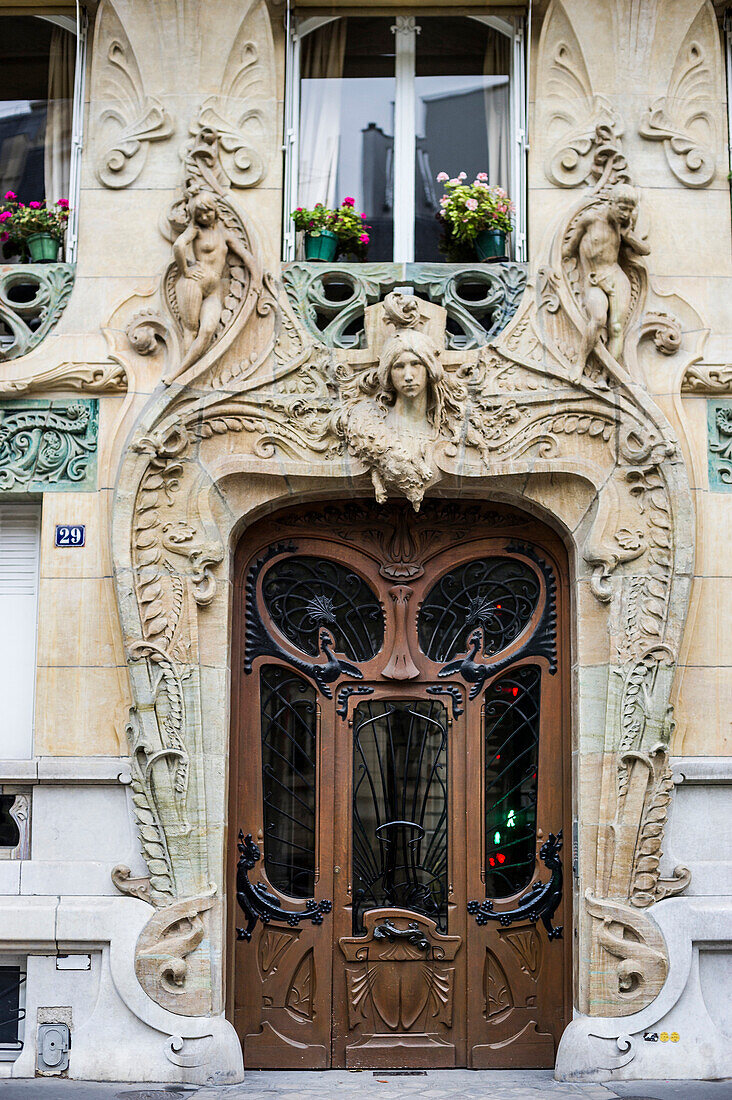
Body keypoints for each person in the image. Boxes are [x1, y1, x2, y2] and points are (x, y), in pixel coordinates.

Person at [166, 190, 257, 381]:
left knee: (207, 330)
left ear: (215, 210)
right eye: (200, 215)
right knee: (190, 330)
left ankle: (184, 373)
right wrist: (185, 270)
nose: (205, 217)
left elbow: (246, 255)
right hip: (193, 283)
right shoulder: (196, 230)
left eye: (208, 212)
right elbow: (179, 246)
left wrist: (256, 280)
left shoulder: (225, 233)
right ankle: (180, 377)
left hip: (214, 289)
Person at [562, 183, 650, 378]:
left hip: (615, 276)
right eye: (622, 208)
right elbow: (568, 250)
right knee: (599, 318)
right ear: (611, 203)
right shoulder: (590, 219)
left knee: (617, 327)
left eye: (630, 210)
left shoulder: (624, 225)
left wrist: (627, 236)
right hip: (593, 279)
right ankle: (579, 364)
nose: (626, 214)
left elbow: (645, 249)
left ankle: (605, 377)